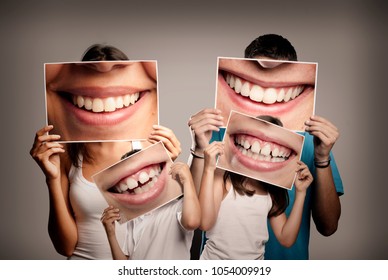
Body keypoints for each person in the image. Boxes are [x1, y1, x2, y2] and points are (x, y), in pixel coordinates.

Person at [188, 34, 343, 259]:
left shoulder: (312, 142)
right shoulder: (216, 135)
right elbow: (191, 218)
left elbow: (328, 227)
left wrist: (322, 159)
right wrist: (198, 149)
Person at [30, 44, 181, 259]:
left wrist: (169, 169)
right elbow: (65, 247)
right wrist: (51, 179)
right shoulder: (67, 155)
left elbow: (167, 232)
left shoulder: (151, 149)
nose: (103, 71)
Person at [199, 116, 313, 259]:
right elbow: (204, 223)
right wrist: (208, 170)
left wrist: (301, 193)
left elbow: (286, 238)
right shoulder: (222, 178)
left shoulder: (270, 192)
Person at [101, 160, 201, 260]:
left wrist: (188, 180)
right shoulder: (133, 218)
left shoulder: (178, 207)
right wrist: (111, 234)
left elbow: (191, 222)